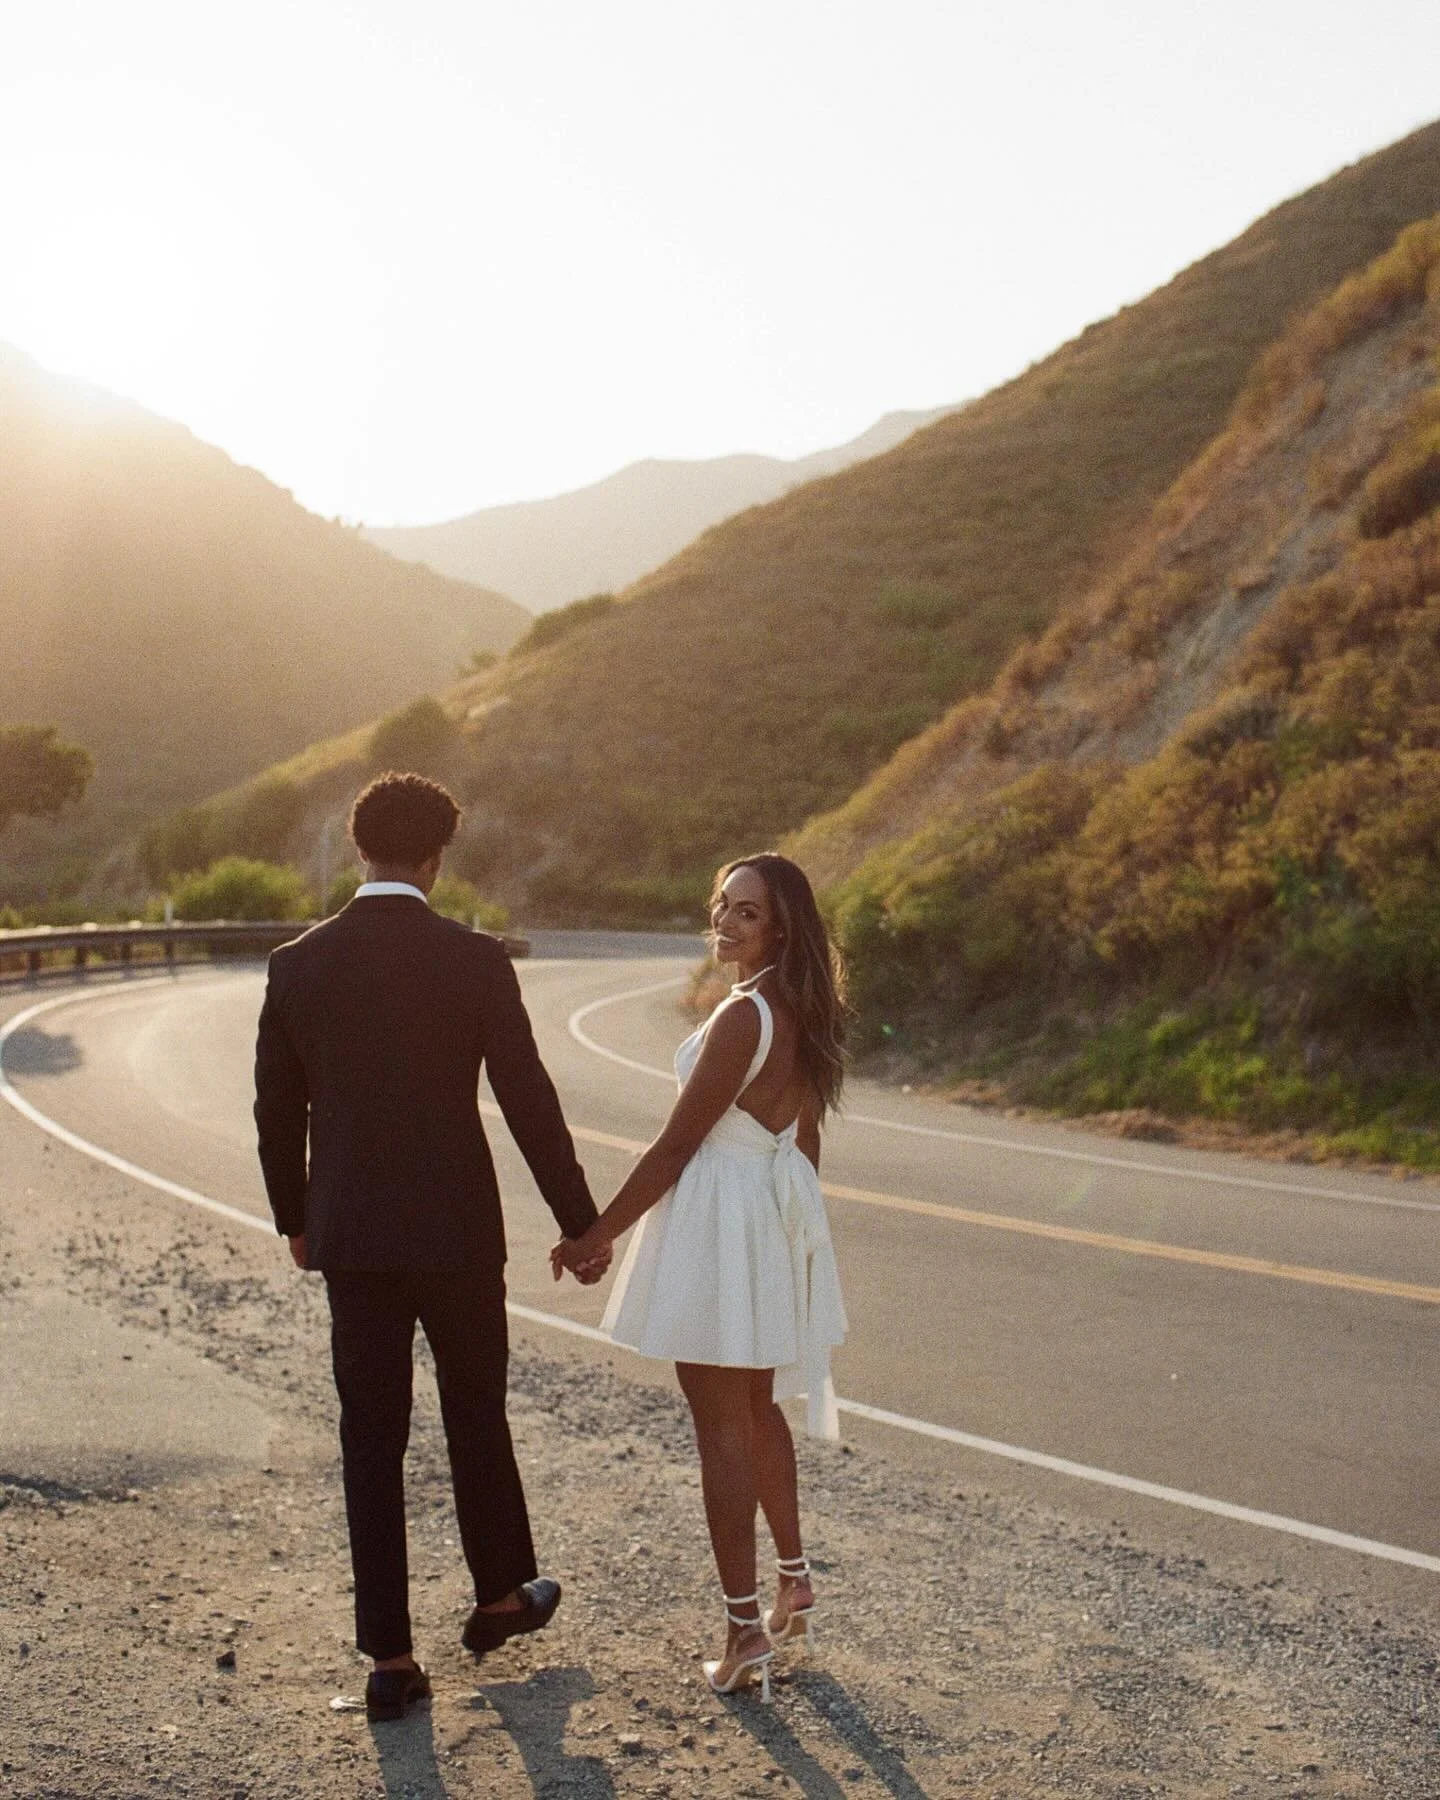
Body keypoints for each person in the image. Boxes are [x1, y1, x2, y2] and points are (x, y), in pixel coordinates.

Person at [253, 771, 610, 1721]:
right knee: (474, 1413)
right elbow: (528, 1099)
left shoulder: (298, 965)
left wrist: (295, 1218)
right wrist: (581, 1222)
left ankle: (391, 1657)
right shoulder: (475, 960)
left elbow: (277, 1110)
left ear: (360, 844)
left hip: (353, 1235)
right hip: (456, 1232)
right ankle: (500, 1595)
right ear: (438, 860)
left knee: (369, 1436)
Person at [552, 852, 847, 1700]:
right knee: (756, 1409)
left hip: (723, 1217)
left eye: (746, 913)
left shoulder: (744, 1017)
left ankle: (743, 1627)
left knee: (721, 1424)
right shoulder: (803, 1010)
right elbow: (808, 1140)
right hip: (765, 1211)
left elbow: (677, 1145)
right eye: (721, 906)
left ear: (780, 927)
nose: (725, 922)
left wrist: (593, 1234)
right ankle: (793, 1579)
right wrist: (794, 1238)